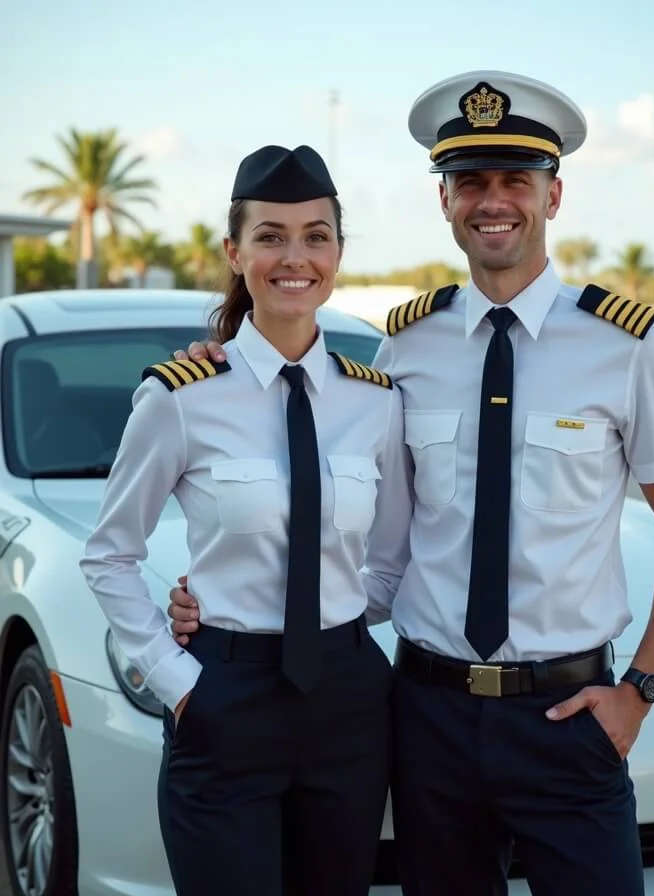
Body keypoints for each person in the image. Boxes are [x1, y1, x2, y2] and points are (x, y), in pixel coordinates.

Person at [168, 71, 654, 896]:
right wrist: (223, 600)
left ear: (553, 196)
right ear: (446, 201)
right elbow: (363, 533)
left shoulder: (625, 345)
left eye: (515, 182)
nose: (492, 201)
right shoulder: (406, 349)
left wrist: (637, 691)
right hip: (427, 719)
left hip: (567, 719)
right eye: (470, 182)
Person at [79, 143, 413, 896]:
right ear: (234, 252)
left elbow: (392, 558)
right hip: (223, 701)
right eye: (270, 236)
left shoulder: (377, 401)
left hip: (350, 706)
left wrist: (339, 619)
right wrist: (179, 680)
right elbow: (110, 555)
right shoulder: (182, 396)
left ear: (337, 252)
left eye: (315, 236)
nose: (294, 256)